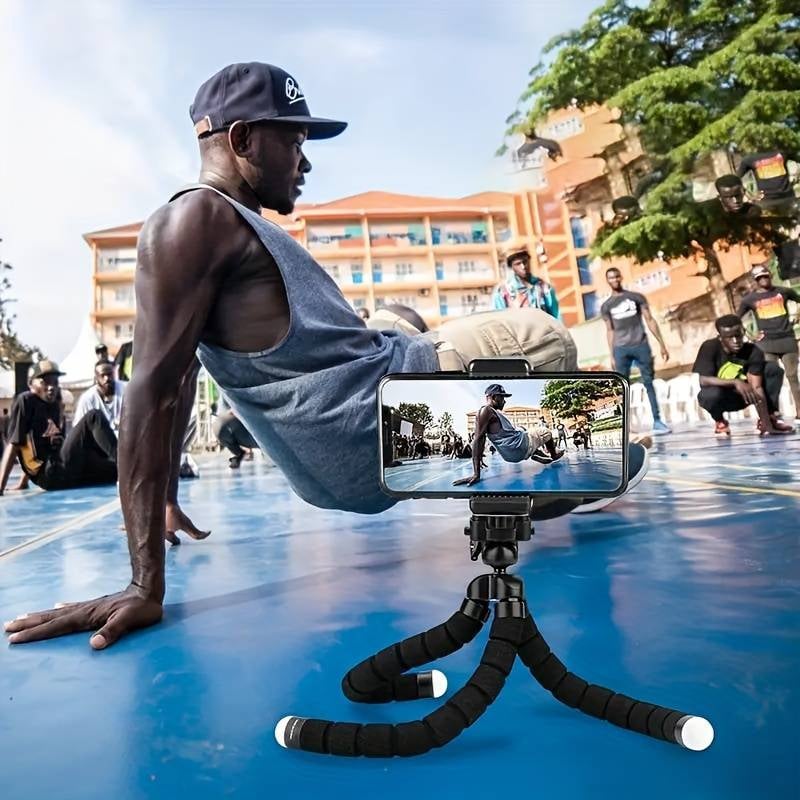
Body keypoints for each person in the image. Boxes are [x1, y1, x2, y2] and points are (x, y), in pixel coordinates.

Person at [1, 61, 579, 650]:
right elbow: (152, 390)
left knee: (394, 324)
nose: (306, 162)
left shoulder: (221, 231)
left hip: (345, 448)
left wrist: (169, 494)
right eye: (294, 142)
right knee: (547, 336)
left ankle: (543, 472)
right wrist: (142, 584)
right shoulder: (195, 218)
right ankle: (574, 465)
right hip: (383, 415)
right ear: (242, 139)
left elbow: (181, 374)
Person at [0, 360, 119, 494]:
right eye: (45, 382)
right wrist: (1, 486)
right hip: (50, 472)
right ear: (31, 384)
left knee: (114, 472)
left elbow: (34, 451)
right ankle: (124, 461)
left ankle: (124, 466)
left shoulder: (55, 404)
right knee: (93, 417)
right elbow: (14, 445)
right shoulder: (25, 401)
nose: (51, 387)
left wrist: (23, 482)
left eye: (55, 382)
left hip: (66, 471)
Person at [693, 315, 793, 436]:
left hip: (747, 396)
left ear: (743, 332)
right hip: (723, 397)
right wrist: (735, 382)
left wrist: (766, 423)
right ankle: (720, 421)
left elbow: (757, 387)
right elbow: (703, 380)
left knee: (773, 370)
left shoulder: (753, 351)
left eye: (738, 335)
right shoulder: (709, 347)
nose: (736, 341)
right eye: (729, 338)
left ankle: (770, 418)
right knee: (708, 395)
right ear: (720, 338)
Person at [601, 267, 671, 435]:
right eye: (611, 278)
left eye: (617, 276)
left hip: (641, 345)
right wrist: (611, 354)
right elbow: (610, 331)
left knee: (649, 382)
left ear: (621, 277)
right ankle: (626, 426)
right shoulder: (606, 306)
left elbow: (650, 320)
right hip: (621, 349)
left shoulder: (636, 298)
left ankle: (657, 420)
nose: (615, 280)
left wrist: (662, 344)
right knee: (623, 387)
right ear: (608, 281)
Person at [453, 384, 564, 486]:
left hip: (510, 456)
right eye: (502, 397)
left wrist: (479, 458)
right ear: (493, 397)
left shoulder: (493, 414)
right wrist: (476, 474)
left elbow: (481, 438)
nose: (504, 401)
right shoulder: (486, 410)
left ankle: (536, 453)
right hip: (521, 446)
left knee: (522, 429)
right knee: (546, 431)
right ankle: (553, 454)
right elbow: (478, 439)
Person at [736, 263, 800, 421]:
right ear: (755, 280)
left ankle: (799, 411)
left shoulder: (783, 291)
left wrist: (798, 315)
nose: (763, 279)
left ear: (770, 275)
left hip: (787, 340)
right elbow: (736, 320)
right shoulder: (749, 299)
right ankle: (772, 413)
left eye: (765, 276)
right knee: (771, 377)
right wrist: (750, 335)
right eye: (759, 278)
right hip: (766, 344)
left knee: (793, 377)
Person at [492, 248, 560, 319]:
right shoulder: (503, 292)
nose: (523, 267)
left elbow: (555, 316)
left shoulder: (544, 287)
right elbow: (499, 319)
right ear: (511, 267)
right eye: (518, 264)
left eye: (525, 262)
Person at [74, 362, 126, 432]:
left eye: (109, 374)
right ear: (96, 378)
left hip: (124, 438)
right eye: (103, 375)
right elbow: (78, 428)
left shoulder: (126, 389)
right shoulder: (87, 398)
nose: (107, 378)